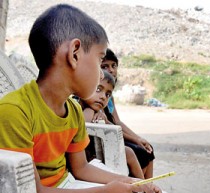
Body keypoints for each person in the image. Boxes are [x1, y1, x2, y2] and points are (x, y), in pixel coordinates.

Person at [0, 4, 161, 193]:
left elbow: (81, 168)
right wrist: (107, 191)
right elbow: (34, 190)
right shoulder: (15, 112)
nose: (102, 75)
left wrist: (130, 182)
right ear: (74, 53)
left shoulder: (74, 110)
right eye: (99, 60)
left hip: (68, 184)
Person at [100, 48, 155, 179]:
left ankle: (150, 184)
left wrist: (139, 138)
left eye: (114, 66)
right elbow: (110, 126)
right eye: (105, 66)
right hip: (109, 138)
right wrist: (135, 140)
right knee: (140, 153)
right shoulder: (96, 95)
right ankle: (143, 186)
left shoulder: (109, 96)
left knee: (148, 149)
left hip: (116, 133)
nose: (111, 70)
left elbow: (117, 121)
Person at [79, 70, 145, 179]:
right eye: (98, 89)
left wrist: (103, 118)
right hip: (85, 161)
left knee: (129, 152)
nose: (103, 97)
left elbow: (113, 130)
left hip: (100, 153)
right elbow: (82, 126)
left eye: (107, 94)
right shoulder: (80, 108)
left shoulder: (98, 111)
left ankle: (144, 184)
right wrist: (93, 110)